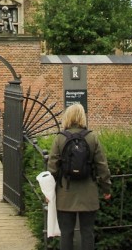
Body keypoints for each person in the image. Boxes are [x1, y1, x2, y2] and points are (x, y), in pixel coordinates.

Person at [46, 103, 111, 250]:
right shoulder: (92, 137)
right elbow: (102, 166)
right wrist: (106, 189)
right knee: (87, 232)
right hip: (88, 193)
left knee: (66, 233)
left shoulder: (60, 138)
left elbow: (52, 168)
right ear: (83, 117)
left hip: (65, 194)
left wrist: (49, 193)